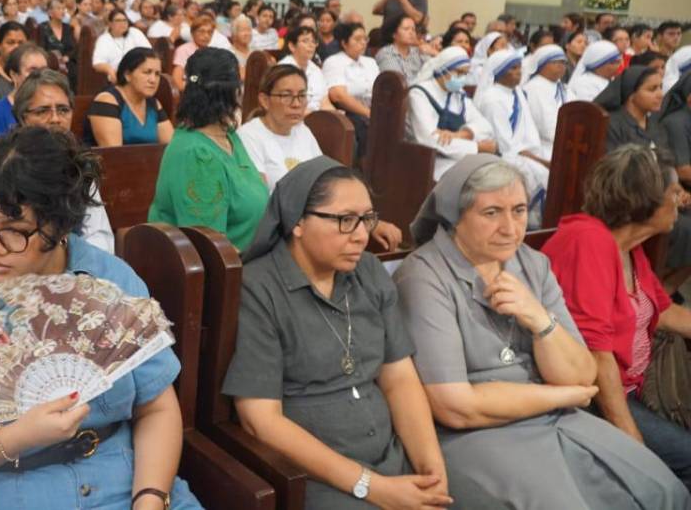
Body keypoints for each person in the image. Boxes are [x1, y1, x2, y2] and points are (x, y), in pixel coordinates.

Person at [0, 126, 199, 509]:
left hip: (127, 480)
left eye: (15, 232)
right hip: (4, 492)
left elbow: (157, 407)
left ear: (61, 224)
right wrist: (17, 437)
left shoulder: (111, 280)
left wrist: (150, 498)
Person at [393, 154, 690, 509]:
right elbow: (456, 407)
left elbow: (581, 373)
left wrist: (539, 320)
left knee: (662, 491)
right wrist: (564, 396)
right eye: (491, 213)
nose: (510, 228)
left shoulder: (532, 264)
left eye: (519, 210)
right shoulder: (423, 277)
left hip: (553, 418)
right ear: (456, 216)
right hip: (476, 436)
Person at [224, 158, 504, 509]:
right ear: (297, 222)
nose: (361, 235)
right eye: (345, 221)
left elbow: (399, 378)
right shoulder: (259, 287)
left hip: (390, 456)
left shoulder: (369, 272)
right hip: (313, 474)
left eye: (367, 219)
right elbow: (260, 421)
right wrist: (373, 487)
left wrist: (432, 470)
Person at [543, 145, 691, 487]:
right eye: (673, 192)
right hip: (591, 398)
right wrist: (631, 441)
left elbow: (665, 311)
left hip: (632, 384)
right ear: (646, 200)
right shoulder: (589, 241)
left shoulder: (626, 247)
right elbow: (597, 354)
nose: (681, 199)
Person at [149, 48, 268, 250]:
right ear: (229, 92)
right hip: (228, 271)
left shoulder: (227, 134)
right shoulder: (198, 155)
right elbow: (210, 247)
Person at [11, 69, 115, 253]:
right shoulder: (6, 165)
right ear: (22, 117)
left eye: (63, 110)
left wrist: (83, 274)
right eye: (43, 111)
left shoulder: (80, 165)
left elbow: (98, 234)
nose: (56, 119)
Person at [474, 48, 549, 219]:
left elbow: (528, 134)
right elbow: (504, 144)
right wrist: (539, 161)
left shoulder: (517, 93)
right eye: (512, 68)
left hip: (525, 153)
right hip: (503, 156)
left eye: (519, 67)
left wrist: (538, 158)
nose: (518, 72)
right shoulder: (492, 99)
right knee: (539, 174)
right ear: (499, 72)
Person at [407, 46, 497, 181]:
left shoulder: (458, 94)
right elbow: (429, 140)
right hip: (431, 161)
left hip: (458, 155)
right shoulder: (419, 93)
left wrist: (459, 134)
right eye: (459, 73)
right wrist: (476, 147)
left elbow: (485, 126)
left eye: (465, 74)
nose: (462, 78)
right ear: (443, 69)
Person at [85, 47, 173, 147]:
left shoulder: (154, 104)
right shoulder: (107, 100)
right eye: (147, 72)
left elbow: (172, 149)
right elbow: (113, 155)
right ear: (127, 75)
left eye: (157, 74)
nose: (153, 80)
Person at [323, 22, 379, 161]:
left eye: (364, 39)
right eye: (357, 39)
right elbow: (338, 95)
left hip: (373, 109)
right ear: (344, 43)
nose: (362, 43)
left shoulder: (370, 62)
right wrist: (367, 112)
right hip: (349, 112)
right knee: (364, 128)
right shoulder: (334, 62)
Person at [0, 43, 51, 147]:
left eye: (44, 70)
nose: (40, 76)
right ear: (14, 75)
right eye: (33, 70)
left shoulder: (53, 108)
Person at [596, 65, 669, 152]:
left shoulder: (655, 125)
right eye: (652, 89)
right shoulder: (612, 126)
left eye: (660, 87)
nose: (660, 95)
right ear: (631, 94)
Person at [522, 43, 568, 161]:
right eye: (555, 62)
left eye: (563, 62)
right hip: (544, 147)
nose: (560, 66)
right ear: (541, 65)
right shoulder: (534, 88)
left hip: (566, 142)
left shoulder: (565, 88)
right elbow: (546, 127)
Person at [277, 25, 332, 111]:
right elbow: (286, 107)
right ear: (292, 46)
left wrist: (335, 115)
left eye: (313, 42)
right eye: (305, 41)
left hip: (319, 118)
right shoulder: (283, 69)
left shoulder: (316, 70)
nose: (311, 45)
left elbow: (325, 101)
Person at [92, 9, 152, 85]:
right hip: (116, 77)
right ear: (110, 24)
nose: (122, 23)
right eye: (118, 20)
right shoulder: (104, 39)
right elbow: (97, 63)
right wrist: (109, 70)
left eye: (125, 20)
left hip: (138, 74)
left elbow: (149, 53)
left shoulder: (134, 33)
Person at [39, 0, 77, 77]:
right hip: (49, 67)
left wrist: (67, 57)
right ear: (50, 12)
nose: (62, 11)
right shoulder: (42, 28)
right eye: (59, 8)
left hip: (68, 67)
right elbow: (41, 49)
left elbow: (74, 48)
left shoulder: (69, 28)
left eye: (63, 8)